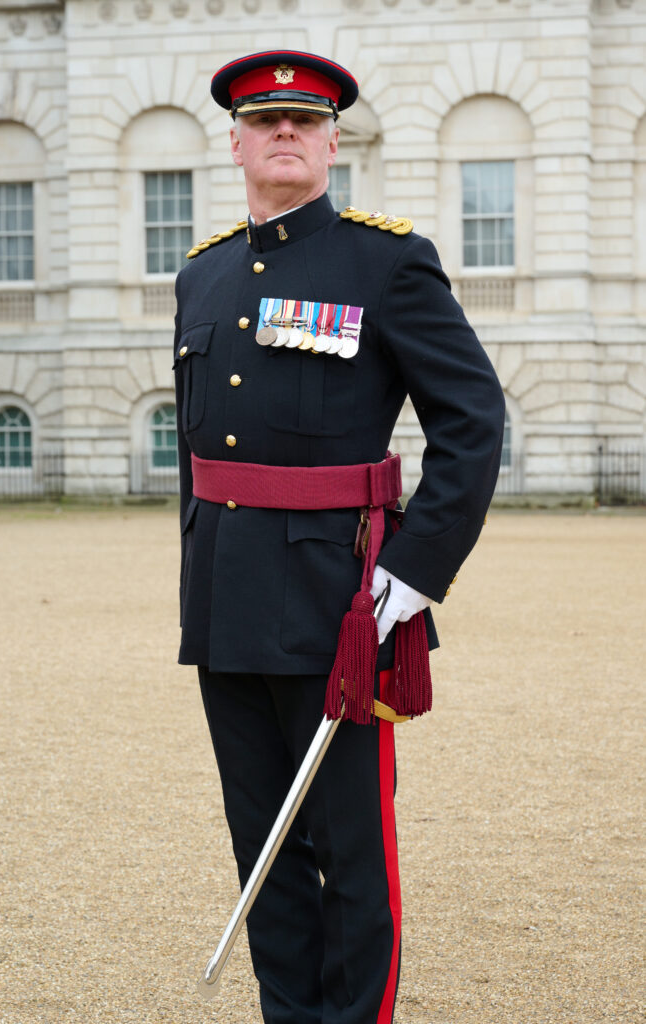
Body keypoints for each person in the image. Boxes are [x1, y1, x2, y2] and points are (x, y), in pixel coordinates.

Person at [173, 49, 505, 1024]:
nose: (285, 132)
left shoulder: (384, 260)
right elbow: (203, 464)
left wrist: (417, 567)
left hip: (338, 599)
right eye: (264, 119)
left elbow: (470, 420)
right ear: (234, 142)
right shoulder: (202, 276)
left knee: (350, 850)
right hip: (223, 601)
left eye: (305, 121)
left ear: (331, 142)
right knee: (264, 845)